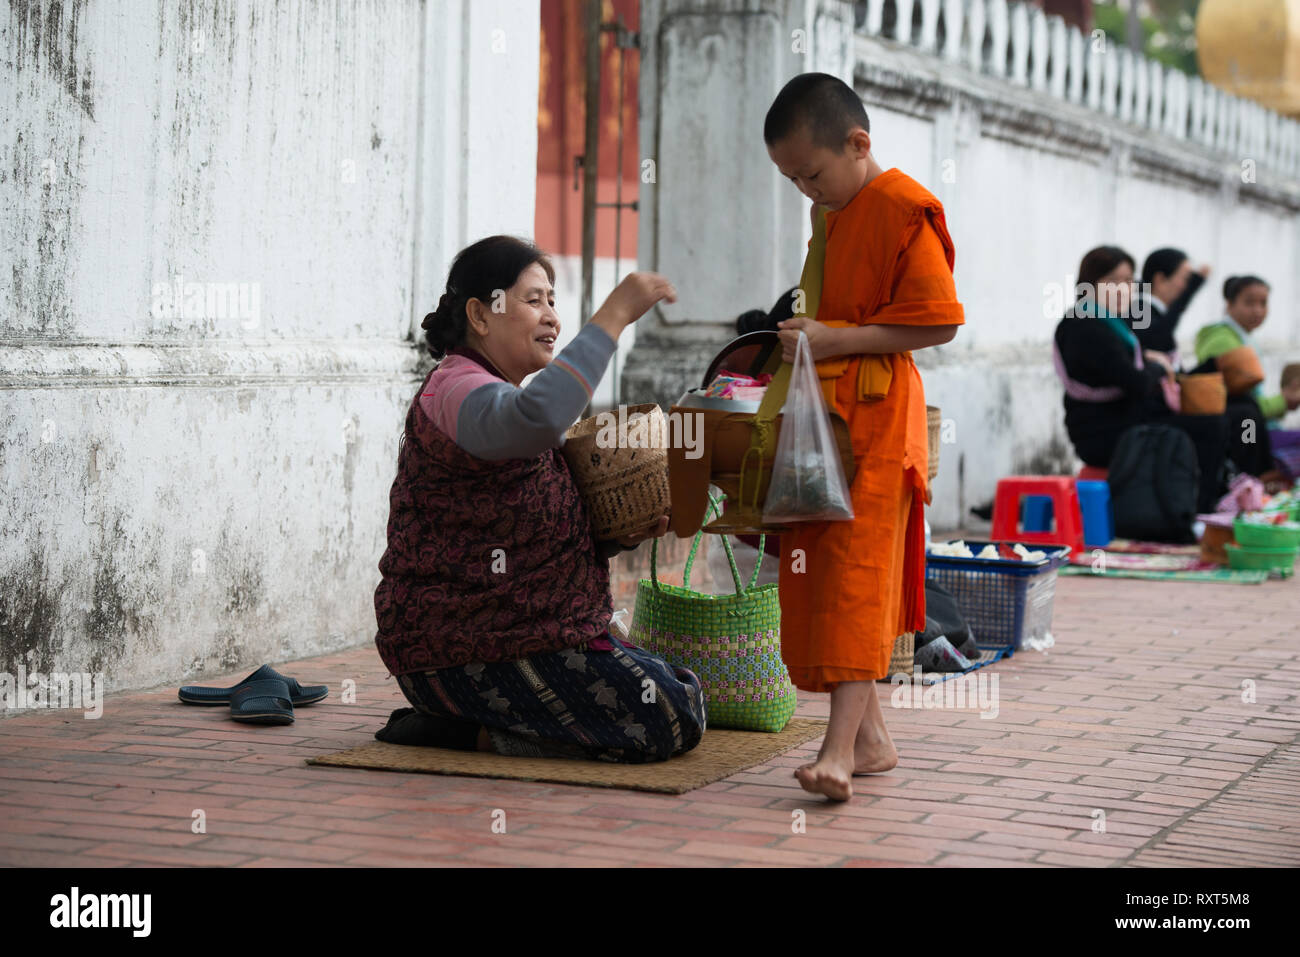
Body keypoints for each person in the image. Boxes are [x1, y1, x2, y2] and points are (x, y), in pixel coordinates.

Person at [372, 235, 707, 763]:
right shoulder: (455, 388)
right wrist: (614, 316)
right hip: (458, 648)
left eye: (552, 300)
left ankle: (468, 725)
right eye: (534, 300)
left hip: (526, 633)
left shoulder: (498, 391)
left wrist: (618, 534)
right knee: (664, 716)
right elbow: (535, 419)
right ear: (481, 316)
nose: (551, 316)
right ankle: (460, 732)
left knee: (679, 684)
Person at [761, 73, 964, 801]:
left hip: (878, 419)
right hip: (825, 417)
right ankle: (874, 738)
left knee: (854, 575)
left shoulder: (905, 208)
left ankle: (838, 751)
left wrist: (836, 339)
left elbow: (938, 321)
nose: (806, 192)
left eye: (811, 173)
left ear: (858, 143)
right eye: (792, 179)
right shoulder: (832, 213)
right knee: (815, 564)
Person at [1053, 245, 1228, 513]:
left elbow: (1123, 369)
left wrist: (1149, 361)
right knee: (1209, 427)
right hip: (1103, 432)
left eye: (1128, 281)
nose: (1125, 289)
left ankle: (1198, 505)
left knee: (1218, 417)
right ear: (1089, 285)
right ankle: (1196, 512)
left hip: (1122, 421)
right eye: (1114, 281)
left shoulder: (1106, 322)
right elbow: (1137, 384)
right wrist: (1158, 367)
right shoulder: (1085, 325)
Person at [1192, 276, 1300, 481]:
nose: (1258, 311)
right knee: (1247, 418)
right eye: (1249, 302)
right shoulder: (1222, 340)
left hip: (1249, 425)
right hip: (1243, 431)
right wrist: (1284, 401)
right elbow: (1238, 401)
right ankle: (1257, 478)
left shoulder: (1240, 336)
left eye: (1263, 303)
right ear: (1229, 304)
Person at [1133, 247, 1210, 360]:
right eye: (1187, 279)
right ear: (1160, 279)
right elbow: (1156, 342)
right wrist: (1191, 290)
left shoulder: (1159, 314)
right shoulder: (1137, 309)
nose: (1187, 286)